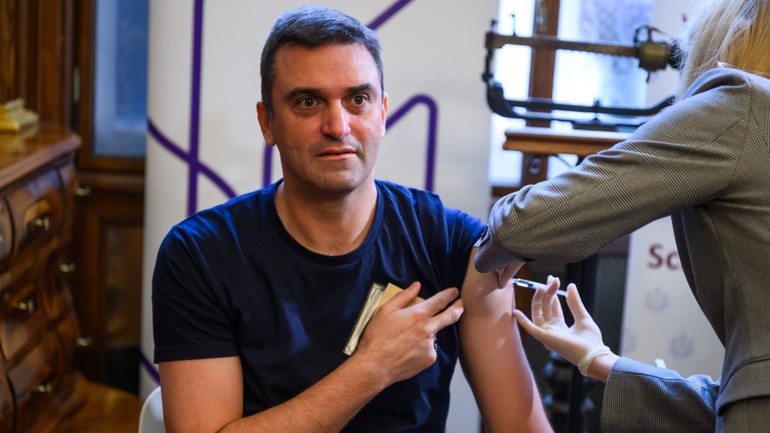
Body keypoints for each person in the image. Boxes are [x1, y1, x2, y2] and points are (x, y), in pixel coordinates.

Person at [152, 5, 552, 433]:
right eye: (308, 102)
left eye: (357, 100)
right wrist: (374, 366)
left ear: (382, 114)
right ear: (268, 123)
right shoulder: (200, 255)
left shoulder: (454, 244)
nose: (337, 125)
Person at [474, 0, 770, 431]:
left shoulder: (745, 106)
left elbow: (525, 225)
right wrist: (598, 360)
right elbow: (746, 392)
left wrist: (488, 241)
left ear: (736, 34)